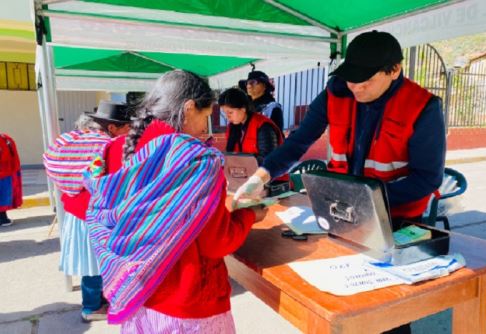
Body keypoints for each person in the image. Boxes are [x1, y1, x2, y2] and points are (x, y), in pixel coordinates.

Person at [233, 31, 445, 334]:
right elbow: (298, 143)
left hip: (395, 222)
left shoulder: (423, 106)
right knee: (339, 308)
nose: (356, 88)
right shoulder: (336, 92)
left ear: (394, 70)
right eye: (351, 79)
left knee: (387, 315)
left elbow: (428, 178)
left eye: (366, 81)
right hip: (341, 218)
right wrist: (260, 176)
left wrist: (366, 201)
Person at [83, 70, 267, 332]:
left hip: (137, 299)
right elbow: (217, 242)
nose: (206, 127)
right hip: (188, 307)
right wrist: (250, 216)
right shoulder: (196, 161)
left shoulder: (114, 150)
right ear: (189, 108)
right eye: (206, 116)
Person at [45, 103, 132, 322]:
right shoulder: (107, 145)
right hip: (95, 213)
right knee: (98, 262)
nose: (129, 131)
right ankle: (92, 307)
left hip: (75, 209)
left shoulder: (73, 140)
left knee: (89, 262)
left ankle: (95, 303)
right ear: (112, 127)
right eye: (126, 127)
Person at [220, 87, 283, 166]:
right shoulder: (232, 127)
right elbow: (230, 153)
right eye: (224, 113)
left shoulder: (263, 126)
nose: (227, 117)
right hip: (243, 174)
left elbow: (268, 158)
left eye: (230, 112)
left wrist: (241, 163)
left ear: (243, 108)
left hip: (268, 175)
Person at [0, 133, 22, 227]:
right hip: (7, 172)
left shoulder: (5, 139)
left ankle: (3, 218)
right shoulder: (5, 138)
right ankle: (3, 219)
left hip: (6, 172)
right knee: (3, 196)